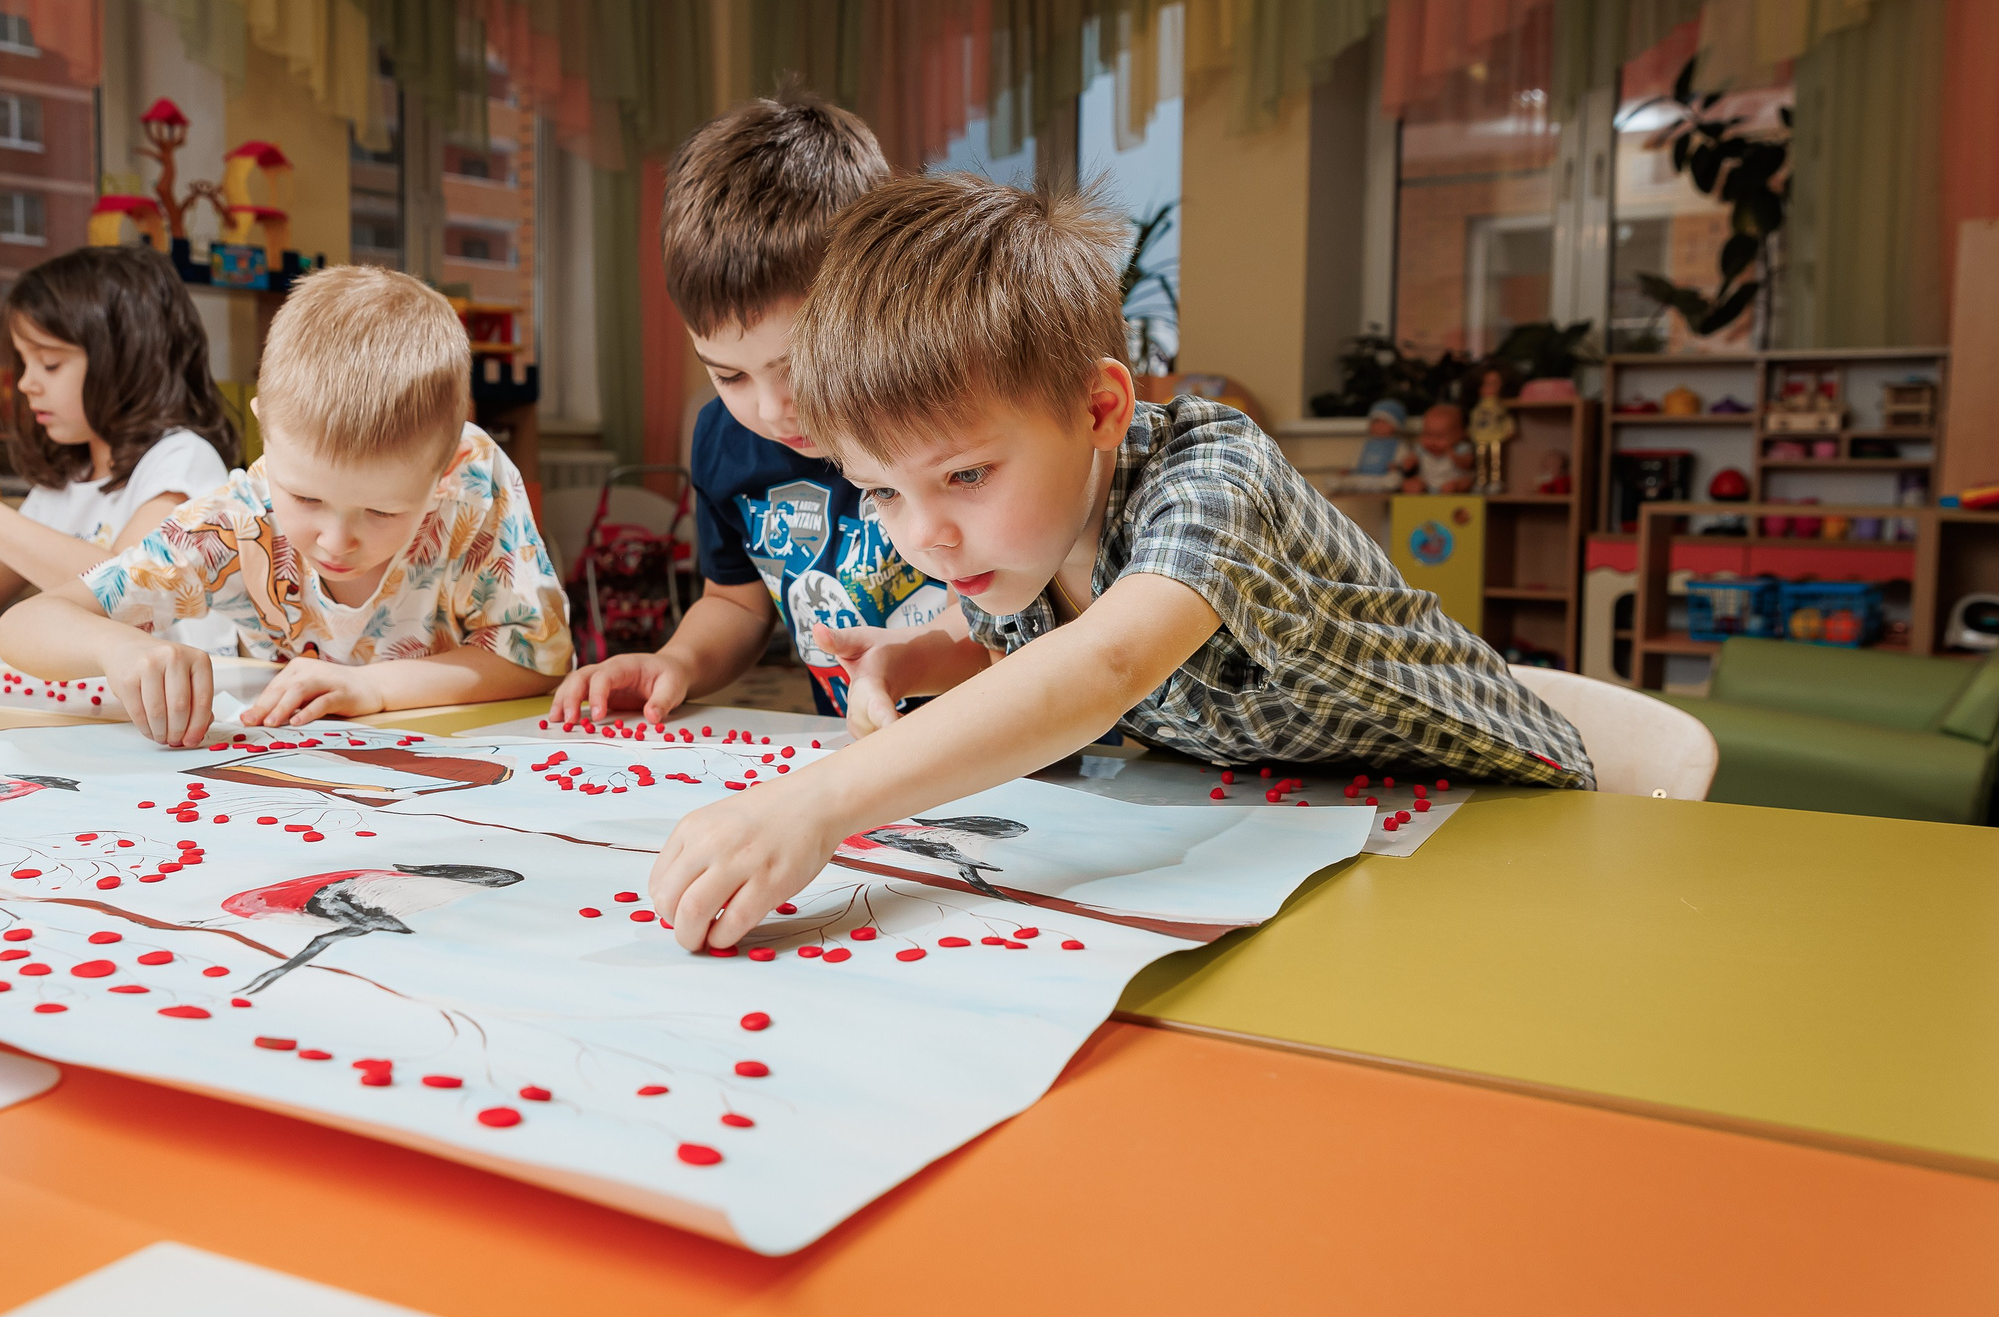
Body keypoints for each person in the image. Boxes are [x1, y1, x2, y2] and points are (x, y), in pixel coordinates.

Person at [643, 176, 1595, 952]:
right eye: (882, 492)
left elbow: (1104, 662)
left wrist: (816, 804)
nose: (924, 536)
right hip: (1336, 833)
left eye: (965, 474)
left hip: (1522, 828)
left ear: (1100, 409)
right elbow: (1020, 644)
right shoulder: (1020, 535)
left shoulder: (1214, 471)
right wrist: (913, 656)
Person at [0, 265, 570, 744]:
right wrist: (116, 645)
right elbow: (25, 624)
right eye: (306, 497)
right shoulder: (237, 520)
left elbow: (534, 660)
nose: (336, 539)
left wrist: (374, 689)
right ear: (264, 432)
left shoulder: (472, 480)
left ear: (442, 470)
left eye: (383, 511)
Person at [547, 91, 956, 729]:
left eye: (798, 368)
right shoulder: (721, 440)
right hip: (866, 753)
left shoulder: (943, 418)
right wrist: (677, 661)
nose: (772, 410)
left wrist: (910, 659)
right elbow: (737, 605)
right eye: (728, 374)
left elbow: (1011, 598)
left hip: (1015, 759)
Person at [0, 248, 238, 638]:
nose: (25, 383)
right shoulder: (70, 476)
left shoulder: (181, 459)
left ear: (125, 362)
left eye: (49, 363)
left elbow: (129, 593)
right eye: (24, 361)